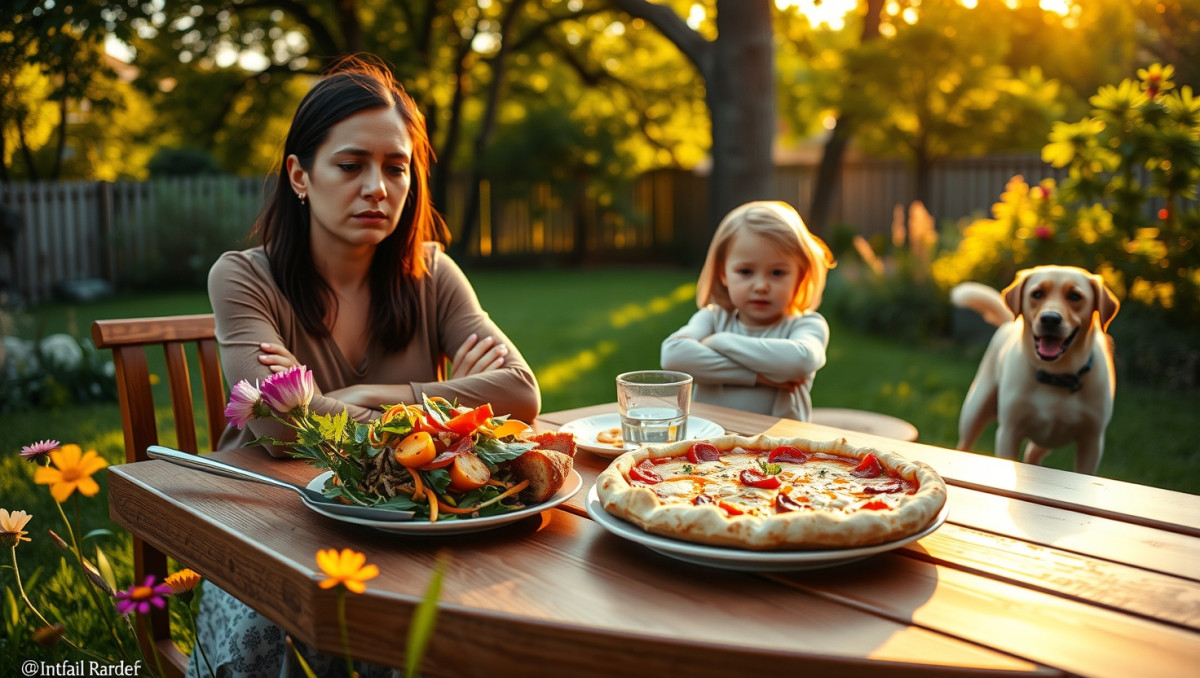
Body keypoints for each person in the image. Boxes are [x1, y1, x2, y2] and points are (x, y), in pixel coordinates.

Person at [191, 55, 539, 677]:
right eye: (351, 165)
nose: (378, 187)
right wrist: (446, 407)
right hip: (276, 526)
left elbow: (518, 391)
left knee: (508, 605)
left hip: (409, 525)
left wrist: (363, 394)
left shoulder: (433, 273)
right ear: (300, 175)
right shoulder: (243, 278)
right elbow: (278, 427)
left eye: (395, 167)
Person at [661, 201, 835, 422]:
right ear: (723, 273)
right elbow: (673, 356)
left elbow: (801, 360)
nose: (761, 286)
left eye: (777, 273)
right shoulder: (712, 318)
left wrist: (720, 341)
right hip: (711, 438)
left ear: (800, 276)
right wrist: (757, 377)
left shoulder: (807, 325)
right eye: (745, 271)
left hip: (780, 442)